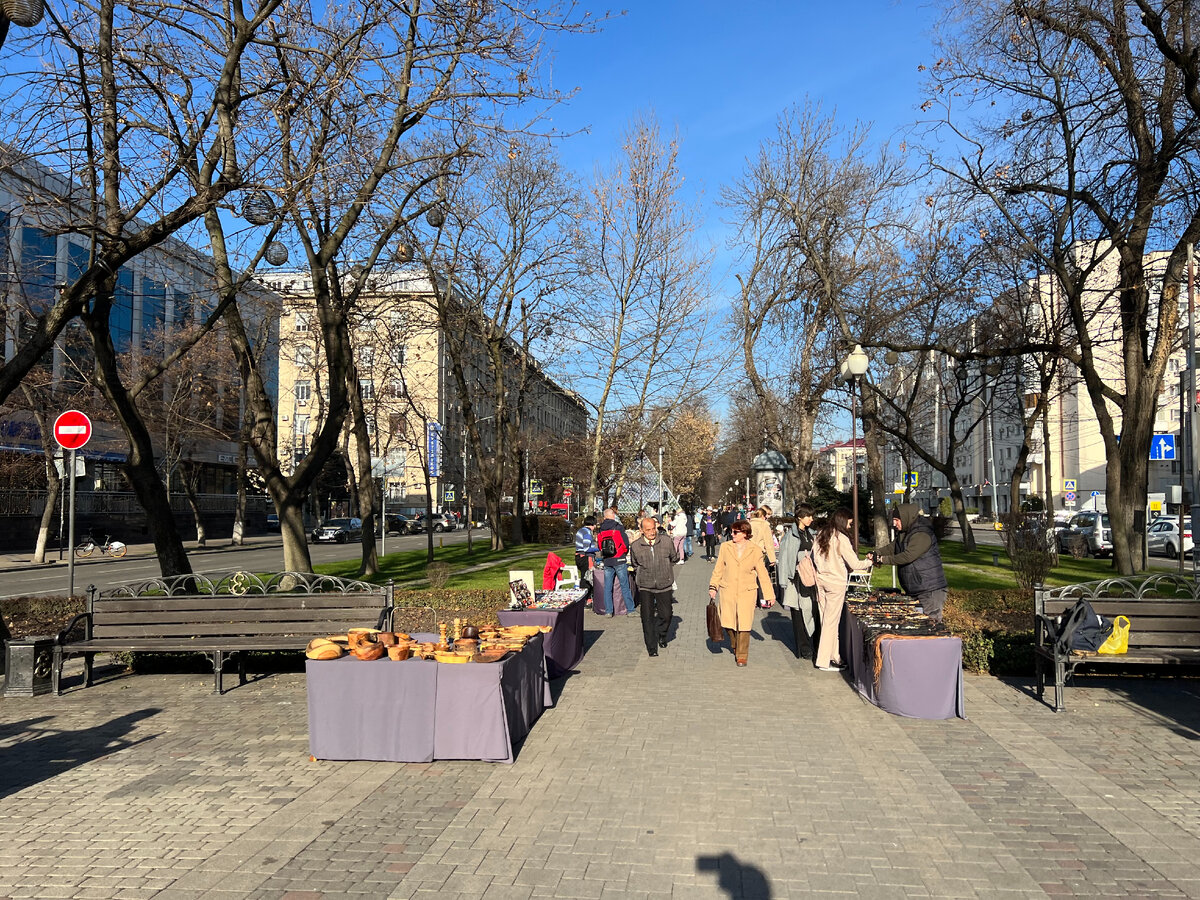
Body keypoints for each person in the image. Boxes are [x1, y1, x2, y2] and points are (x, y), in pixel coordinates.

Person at [811, 507, 871, 672]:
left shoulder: (822, 534)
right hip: (835, 583)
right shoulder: (841, 539)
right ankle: (823, 660)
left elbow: (814, 557)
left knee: (826, 621)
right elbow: (855, 564)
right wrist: (870, 561)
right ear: (843, 521)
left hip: (820, 580)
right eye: (850, 523)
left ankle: (835, 656)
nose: (850, 527)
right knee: (831, 623)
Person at [708, 519, 773, 667]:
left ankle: (742, 655)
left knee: (744, 623)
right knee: (728, 622)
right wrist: (713, 587)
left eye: (735, 532)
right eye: (732, 531)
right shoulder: (725, 547)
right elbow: (719, 569)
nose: (732, 534)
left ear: (745, 533)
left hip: (747, 591)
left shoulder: (755, 550)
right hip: (728, 589)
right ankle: (735, 644)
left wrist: (769, 595)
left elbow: (762, 574)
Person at [869, 503, 949, 624]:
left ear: (906, 518)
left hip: (929, 590)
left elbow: (908, 556)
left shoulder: (922, 533)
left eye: (896, 520)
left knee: (931, 625)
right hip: (916, 588)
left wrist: (882, 559)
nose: (894, 524)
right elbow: (893, 547)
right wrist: (875, 553)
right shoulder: (905, 532)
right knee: (916, 625)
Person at [629, 516, 680, 656]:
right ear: (641, 530)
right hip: (645, 585)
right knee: (647, 617)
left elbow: (674, 558)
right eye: (648, 530)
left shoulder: (666, 541)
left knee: (666, 615)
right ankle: (651, 648)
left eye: (653, 529)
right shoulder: (635, 546)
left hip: (664, 583)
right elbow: (634, 564)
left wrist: (666, 569)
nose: (652, 532)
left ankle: (662, 634)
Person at [776, 504, 818, 661]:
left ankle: (812, 643)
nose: (811, 519)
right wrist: (784, 581)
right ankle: (803, 647)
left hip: (811, 580)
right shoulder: (791, 536)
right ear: (800, 517)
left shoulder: (811, 534)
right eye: (808, 516)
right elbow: (785, 557)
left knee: (811, 611)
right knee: (798, 612)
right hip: (796, 579)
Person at [594, 508, 634, 616]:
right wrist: (623, 553)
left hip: (607, 559)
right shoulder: (618, 527)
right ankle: (630, 610)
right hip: (619, 558)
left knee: (608, 587)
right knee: (624, 586)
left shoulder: (600, 529)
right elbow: (625, 543)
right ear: (612, 515)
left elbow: (599, 545)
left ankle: (608, 611)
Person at [574, 515, 598, 601]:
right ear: (593, 524)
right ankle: (586, 599)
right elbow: (587, 548)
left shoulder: (580, 531)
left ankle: (584, 599)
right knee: (587, 578)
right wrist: (598, 549)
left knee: (584, 577)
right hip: (585, 557)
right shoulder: (587, 533)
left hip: (578, 556)